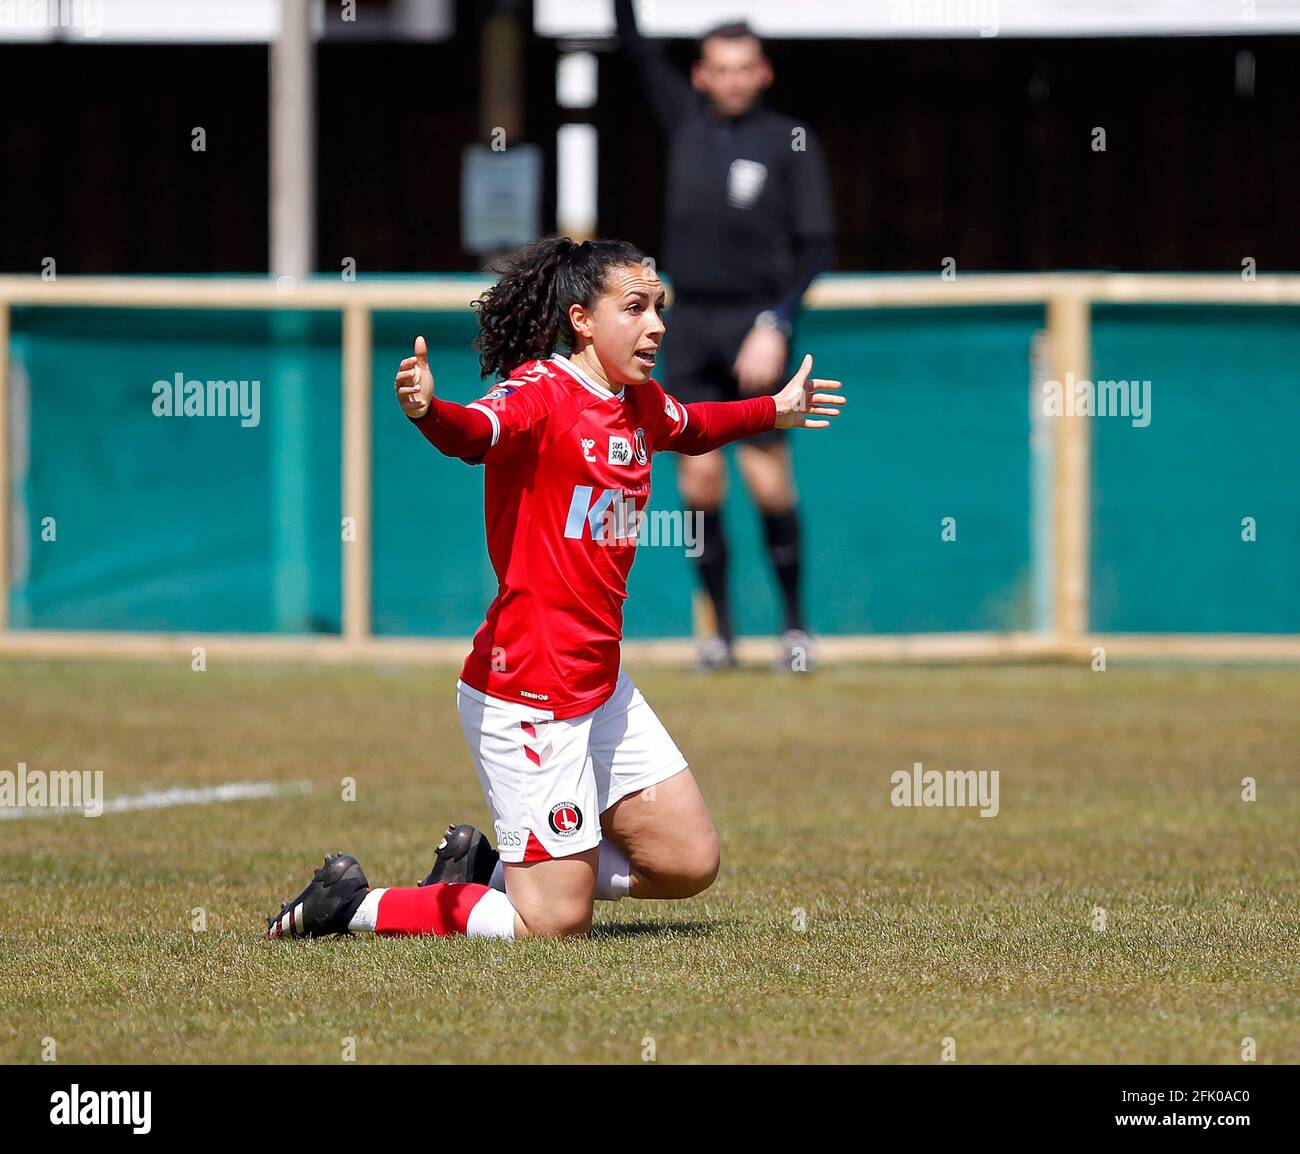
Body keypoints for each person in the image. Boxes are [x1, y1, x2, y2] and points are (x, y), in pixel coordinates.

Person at [264, 236, 844, 942]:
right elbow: (477, 431)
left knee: (689, 862)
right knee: (555, 922)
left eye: (659, 306)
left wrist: (770, 410)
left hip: (598, 688)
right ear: (581, 320)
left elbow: (691, 426)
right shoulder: (541, 391)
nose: (656, 324)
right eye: (635, 307)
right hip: (526, 693)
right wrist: (427, 410)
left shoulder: (637, 402)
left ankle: (491, 870)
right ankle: (349, 905)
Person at [614, 1, 836, 670]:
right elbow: (632, 44)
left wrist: (776, 322)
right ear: (702, 75)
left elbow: (817, 246)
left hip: (757, 326)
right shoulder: (685, 124)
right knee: (699, 484)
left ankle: (795, 632)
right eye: (720, 68)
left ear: (763, 72)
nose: (733, 79)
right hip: (690, 325)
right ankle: (719, 636)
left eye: (745, 67)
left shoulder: (789, 140)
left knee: (768, 482)